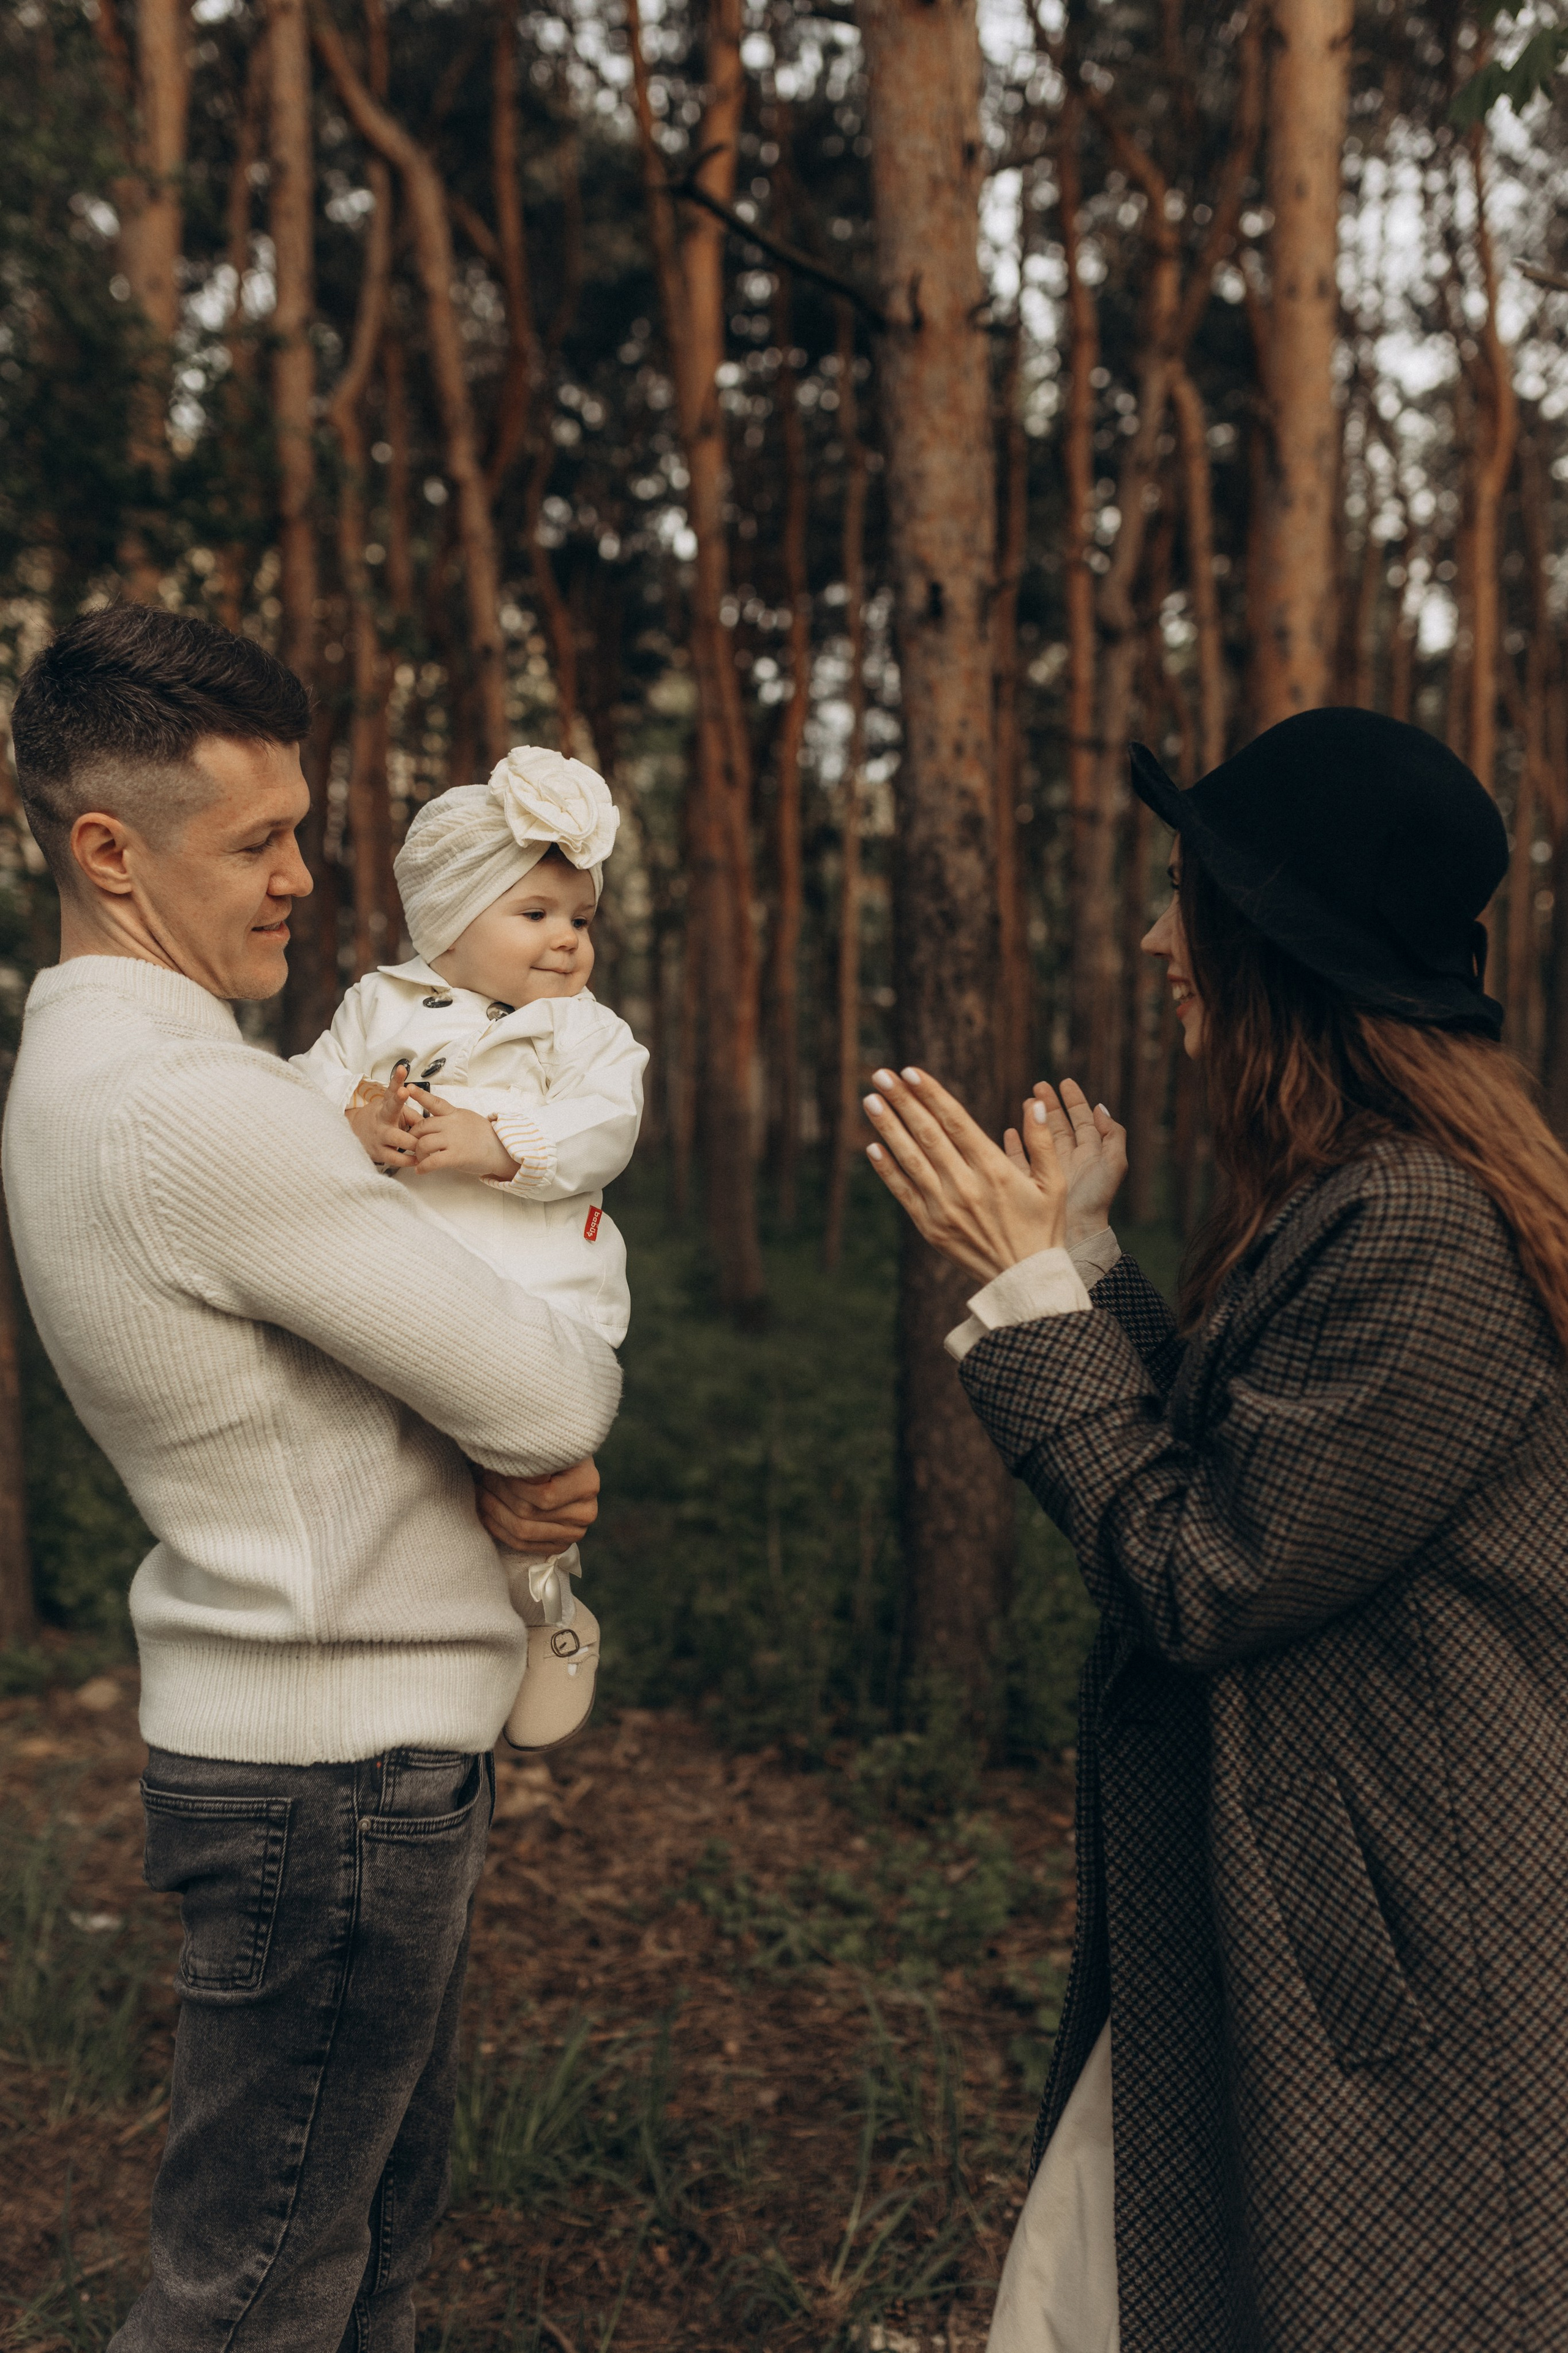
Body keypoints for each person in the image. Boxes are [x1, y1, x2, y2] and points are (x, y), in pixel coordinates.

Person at [860, 706, 1568, 2353]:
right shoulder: (1362, 1192)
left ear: (1274, 947)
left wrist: (1029, 1290)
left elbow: (1205, 1572)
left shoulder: (1418, 1221)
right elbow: (1251, 1474)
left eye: (1184, 899)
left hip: (1386, 1949)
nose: (1152, 938)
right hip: (1301, 1912)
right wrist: (1087, 1266)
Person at [2, 604, 622, 2351]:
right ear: (108, 851)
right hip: (329, 1775)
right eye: (256, 841)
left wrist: (506, 1464)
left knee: (353, 2269)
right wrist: (527, 1442)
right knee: (258, 2298)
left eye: (302, 829)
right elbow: (546, 1385)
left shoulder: (129, 1073)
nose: (300, 877)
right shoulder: (195, 1108)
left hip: (329, 1754)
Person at [292, 744, 647, 1750]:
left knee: (527, 1486)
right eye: (534, 913)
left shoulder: (586, 1032)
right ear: (449, 919)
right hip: (400, 1300)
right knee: (399, 1482)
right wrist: (356, 1121)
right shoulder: (377, 1007)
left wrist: (498, 1142)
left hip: (539, 1307)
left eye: (581, 919)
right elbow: (304, 1089)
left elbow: (605, 1125)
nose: (566, 939)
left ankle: (545, 1610)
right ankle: (389, 1638)